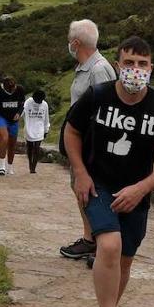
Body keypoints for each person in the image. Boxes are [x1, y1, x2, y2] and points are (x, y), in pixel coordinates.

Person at [65, 36, 154, 307]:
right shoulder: (97, 96)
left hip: (136, 191)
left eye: (142, 64)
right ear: (118, 64)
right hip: (98, 184)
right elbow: (72, 131)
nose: (135, 69)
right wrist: (80, 172)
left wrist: (142, 188)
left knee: (125, 259)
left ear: (151, 67)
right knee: (110, 245)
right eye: (129, 62)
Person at [61, 19, 121, 260]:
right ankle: (90, 238)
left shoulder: (99, 69)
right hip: (82, 140)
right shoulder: (86, 67)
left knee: (92, 190)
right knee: (80, 189)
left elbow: (109, 108)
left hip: (93, 143)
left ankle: (97, 240)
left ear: (76, 42)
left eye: (69, 40)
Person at [0, 76, 25, 175]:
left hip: (14, 120)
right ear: (5, 87)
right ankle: (1, 165)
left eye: (13, 87)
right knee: (4, 138)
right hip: (2, 117)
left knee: (12, 144)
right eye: (10, 89)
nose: (12, 90)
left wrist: (19, 113)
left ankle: (10, 165)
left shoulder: (20, 89)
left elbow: (22, 103)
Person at [23, 89, 50, 174]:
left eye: (41, 101)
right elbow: (22, 112)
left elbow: (46, 118)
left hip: (39, 128)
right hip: (29, 126)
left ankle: (33, 167)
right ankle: (30, 163)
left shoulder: (45, 104)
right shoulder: (28, 102)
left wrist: (46, 130)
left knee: (37, 147)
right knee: (30, 147)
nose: (39, 102)